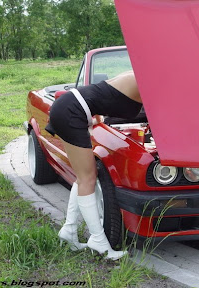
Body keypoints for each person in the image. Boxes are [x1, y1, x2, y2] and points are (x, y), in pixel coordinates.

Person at [45, 70, 142, 260]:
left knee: (84, 177)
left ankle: (69, 231)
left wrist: (95, 118)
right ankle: (98, 240)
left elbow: (100, 98)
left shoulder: (137, 77)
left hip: (71, 107)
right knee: (88, 178)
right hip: (71, 110)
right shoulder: (143, 80)